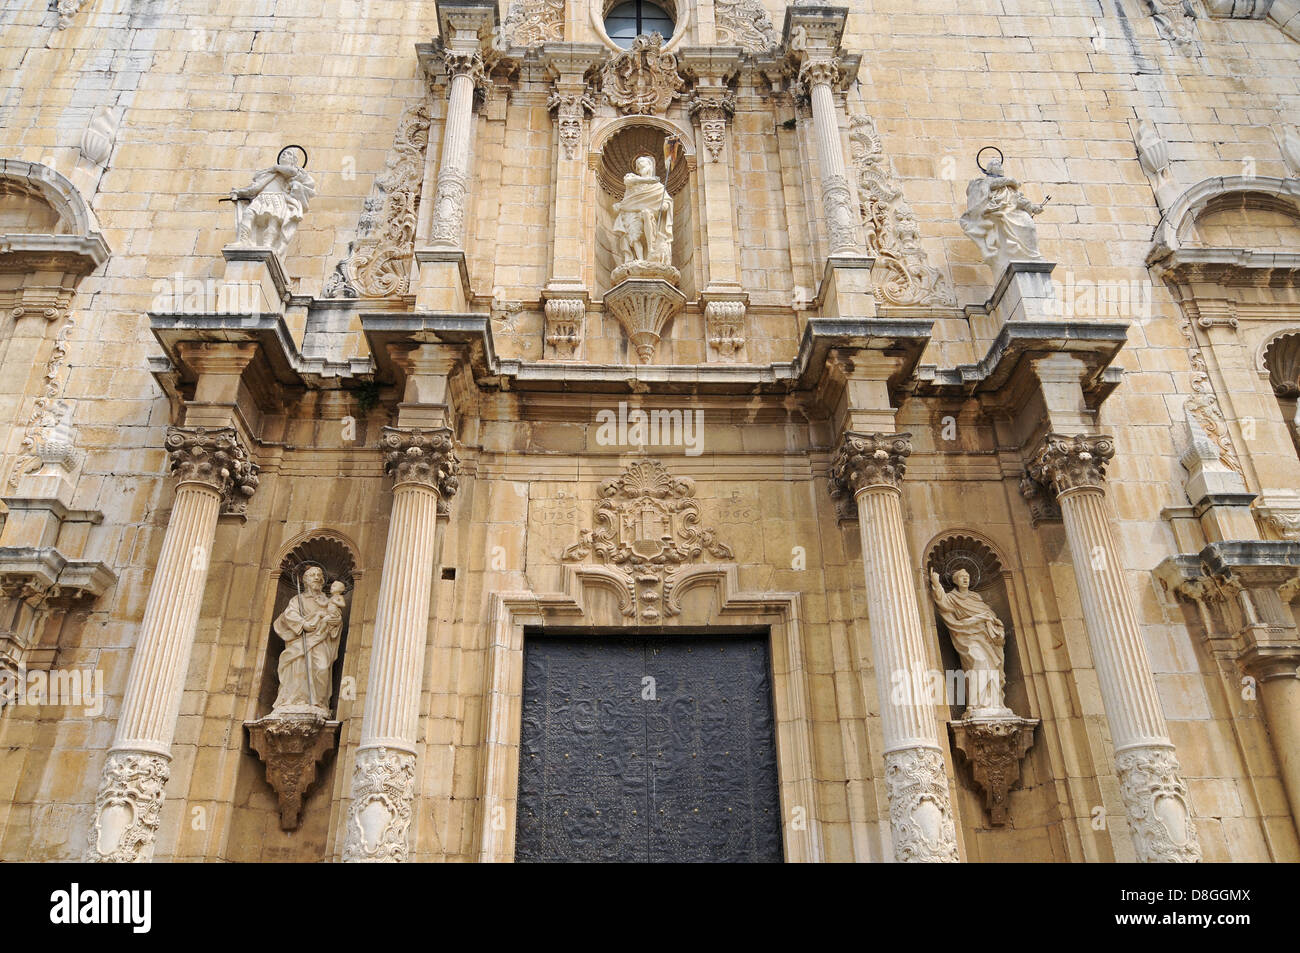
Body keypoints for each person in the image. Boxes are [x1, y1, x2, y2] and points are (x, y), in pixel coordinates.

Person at [929, 568, 1010, 714]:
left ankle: (994, 703)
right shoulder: (953, 598)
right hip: (968, 637)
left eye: (967, 576)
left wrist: (995, 625)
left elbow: (991, 615)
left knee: (991, 668)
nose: (965, 579)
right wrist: (936, 583)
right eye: (961, 577)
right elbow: (943, 602)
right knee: (978, 661)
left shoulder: (975, 598)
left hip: (986, 638)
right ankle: (976, 703)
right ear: (955, 581)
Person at [270, 566, 344, 714]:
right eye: (312, 575)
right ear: (305, 580)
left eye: (319, 575)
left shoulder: (327, 600)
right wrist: (303, 624)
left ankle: (318, 702)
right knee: (299, 669)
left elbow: (335, 617)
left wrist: (335, 622)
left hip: (321, 640)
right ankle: (294, 699)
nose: (317, 577)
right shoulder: (298, 599)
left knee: (322, 667)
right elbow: (288, 616)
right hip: (300, 641)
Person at [958, 156, 1045, 276]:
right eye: (996, 164)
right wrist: (1010, 180)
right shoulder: (984, 181)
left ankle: (1033, 256)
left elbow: (1020, 199)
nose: (999, 166)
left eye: (1000, 164)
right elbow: (988, 186)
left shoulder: (1009, 187)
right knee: (1006, 235)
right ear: (990, 169)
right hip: (1000, 213)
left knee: (1029, 227)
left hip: (1015, 210)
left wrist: (1033, 208)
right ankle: (1014, 257)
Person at [612, 154, 673, 265]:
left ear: (650, 165)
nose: (640, 164)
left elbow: (666, 200)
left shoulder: (658, 186)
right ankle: (639, 259)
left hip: (650, 213)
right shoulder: (632, 178)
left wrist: (664, 205)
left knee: (646, 213)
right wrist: (649, 179)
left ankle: (651, 249)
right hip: (631, 211)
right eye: (638, 163)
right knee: (634, 237)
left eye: (643, 162)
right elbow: (628, 181)